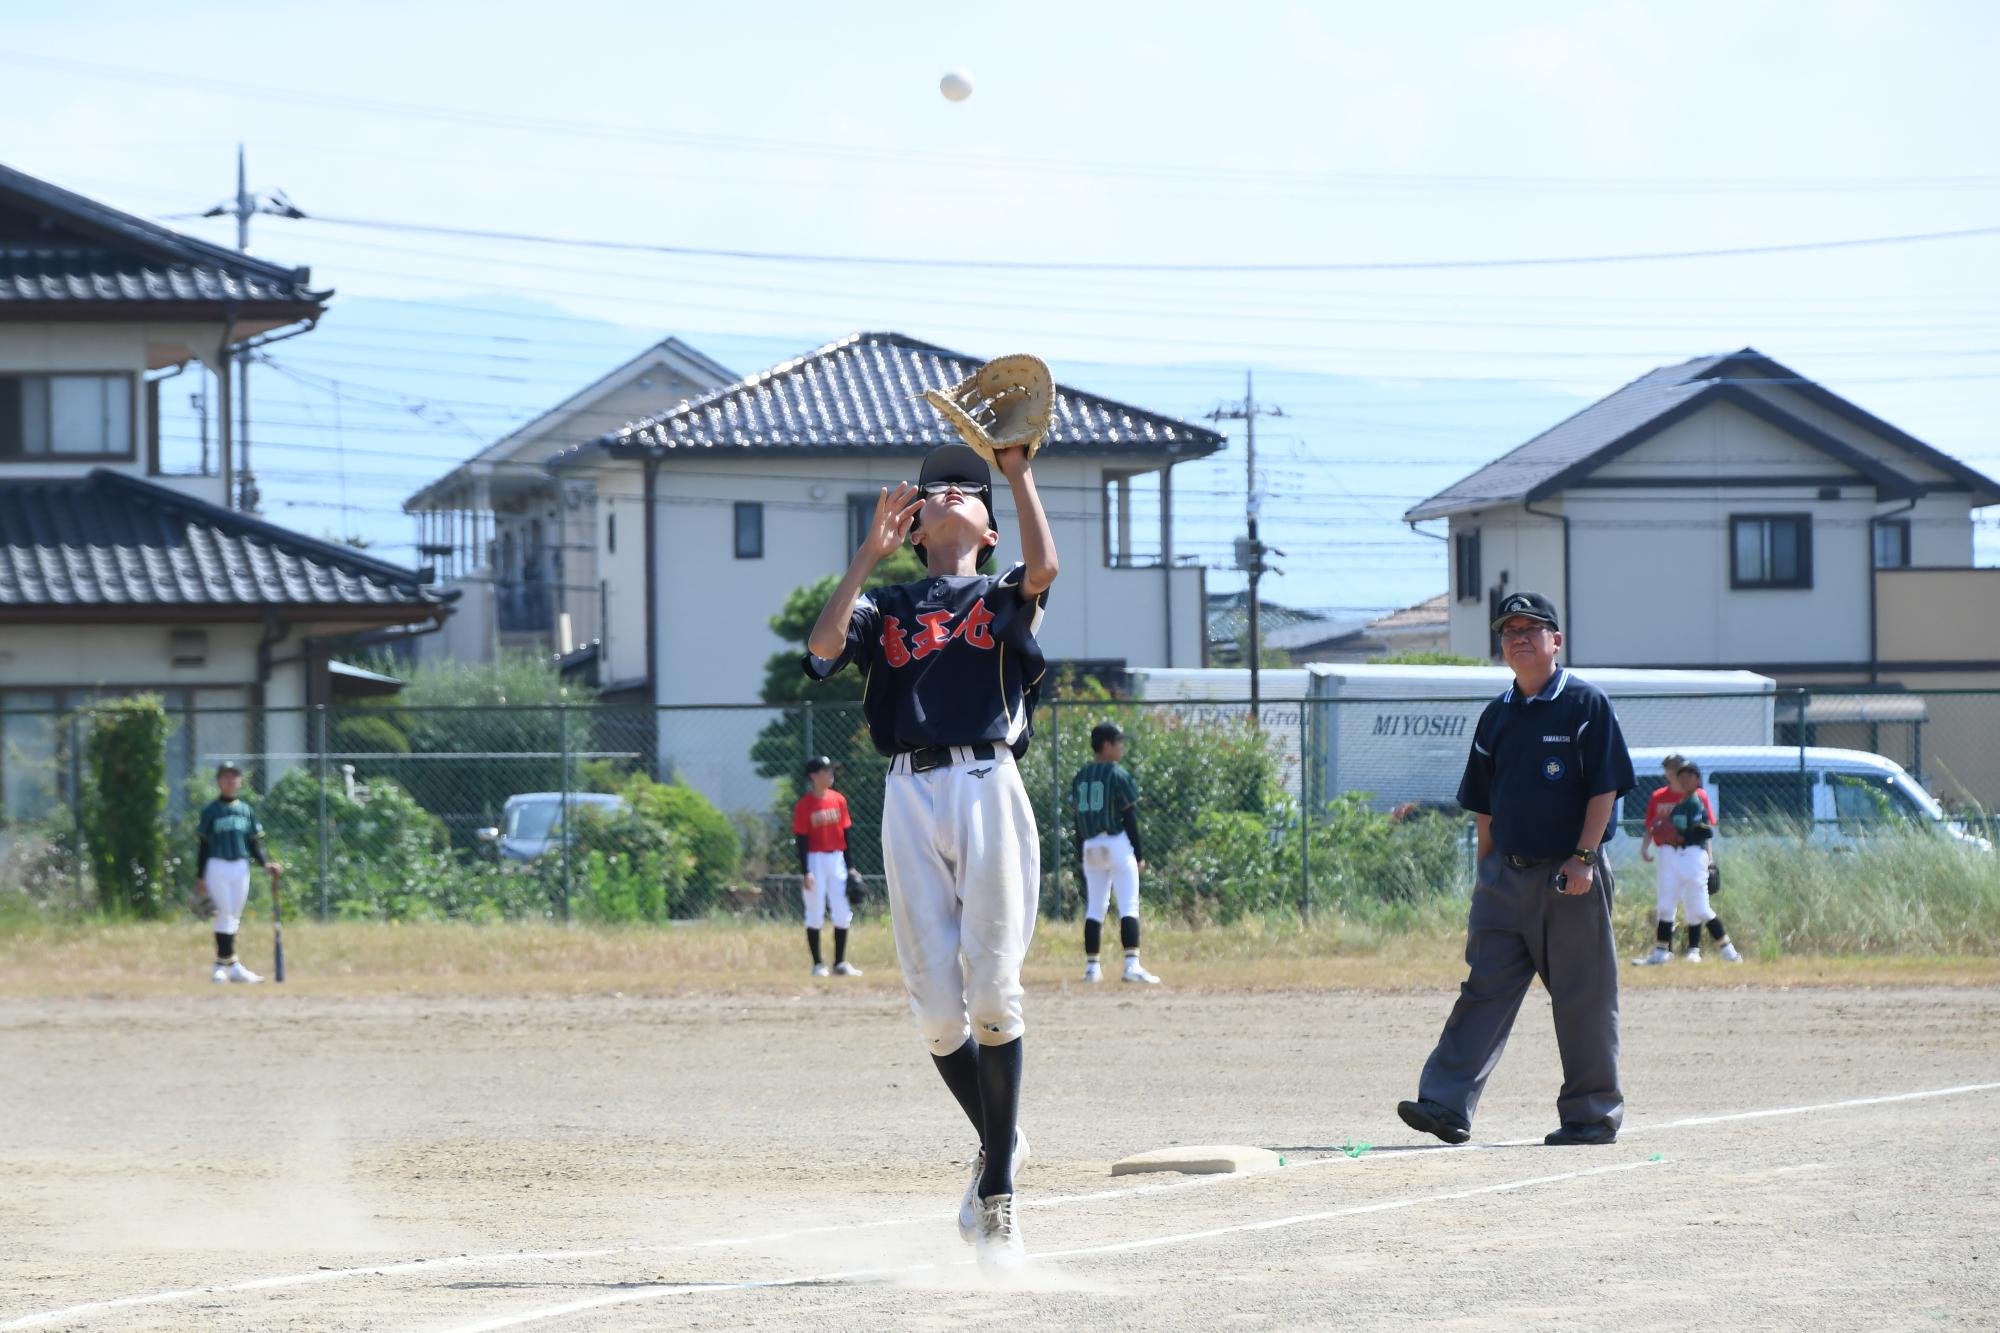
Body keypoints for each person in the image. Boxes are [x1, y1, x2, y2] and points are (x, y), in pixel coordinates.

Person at [802, 437, 1056, 1274]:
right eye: (936, 486)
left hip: (987, 781)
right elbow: (822, 649)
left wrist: (1016, 469)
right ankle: (1001, 1137)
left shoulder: (1002, 592)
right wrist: (865, 557)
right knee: (940, 1015)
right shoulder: (889, 603)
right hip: (908, 791)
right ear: (913, 529)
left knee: (995, 995)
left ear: (989, 527)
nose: (949, 490)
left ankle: (1000, 1197)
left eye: (966, 487)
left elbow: (1046, 567)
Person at [1395, 591, 1636, 1148]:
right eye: (1509, 631)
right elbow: (1485, 802)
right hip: (1505, 877)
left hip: (1569, 875)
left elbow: (1605, 789)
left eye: (1531, 629)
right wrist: (1486, 869)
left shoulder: (1585, 704)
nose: (1519, 638)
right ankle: (1445, 1103)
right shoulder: (1497, 715)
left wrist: (1584, 857)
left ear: (1557, 641)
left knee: (1583, 998)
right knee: (1484, 988)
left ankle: (1591, 1115)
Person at [1070, 721, 1159, 984]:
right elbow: (1129, 817)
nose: (1121, 747)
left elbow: (1076, 820)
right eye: (1118, 742)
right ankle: (1131, 965)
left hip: (1090, 845)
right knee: (1128, 905)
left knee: (1095, 907)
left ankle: (1092, 969)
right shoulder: (1117, 774)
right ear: (1106, 745)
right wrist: (1139, 855)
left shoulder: (1081, 775)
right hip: (1116, 843)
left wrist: (1080, 853)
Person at [1636, 761, 1742, 965]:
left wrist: (1677, 835)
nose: (1684, 780)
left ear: (1697, 780)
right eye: (1681, 776)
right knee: (1666, 905)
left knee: (1700, 908)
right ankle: (1660, 953)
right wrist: (1665, 830)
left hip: (1693, 856)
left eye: (1689, 776)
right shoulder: (1681, 803)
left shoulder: (1694, 802)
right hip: (1678, 855)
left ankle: (1729, 952)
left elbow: (1702, 831)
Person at [194, 761, 281, 985]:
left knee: (233, 916)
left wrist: (265, 864)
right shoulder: (211, 811)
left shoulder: (246, 810)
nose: (230, 780)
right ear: (218, 781)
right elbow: (203, 846)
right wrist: (200, 877)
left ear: (240, 781)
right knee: (224, 914)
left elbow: (253, 844)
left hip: (241, 866)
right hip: (217, 865)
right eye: (225, 776)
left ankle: (227, 967)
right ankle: (226, 967)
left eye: (234, 776)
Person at [792, 756, 861, 977]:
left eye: (831, 770)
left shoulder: (839, 800)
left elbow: (847, 835)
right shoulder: (804, 805)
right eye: (826, 770)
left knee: (842, 910)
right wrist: (806, 871)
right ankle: (818, 964)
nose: (831, 774)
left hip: (837, 858)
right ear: (813, 776)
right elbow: (801, 840)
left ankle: (840, 963)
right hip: (815, 859)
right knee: (815, 911)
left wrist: (850, 867)